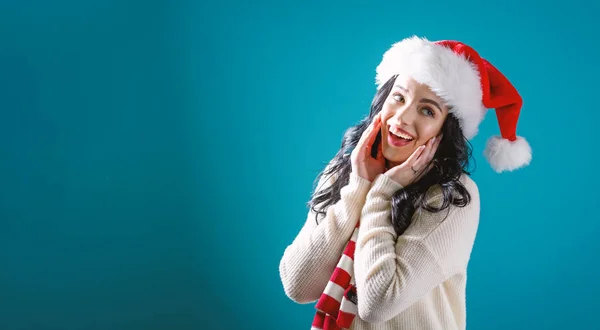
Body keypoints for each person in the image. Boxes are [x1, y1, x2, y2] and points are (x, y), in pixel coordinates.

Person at [278, 36, 532, 330]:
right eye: (398, 97)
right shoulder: (344, 172)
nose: (402, 118)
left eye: (427, 110)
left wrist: (381, 194)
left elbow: (378, 302)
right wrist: (359, 186)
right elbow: (298, 286)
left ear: (445, 130)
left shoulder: (452, 196)